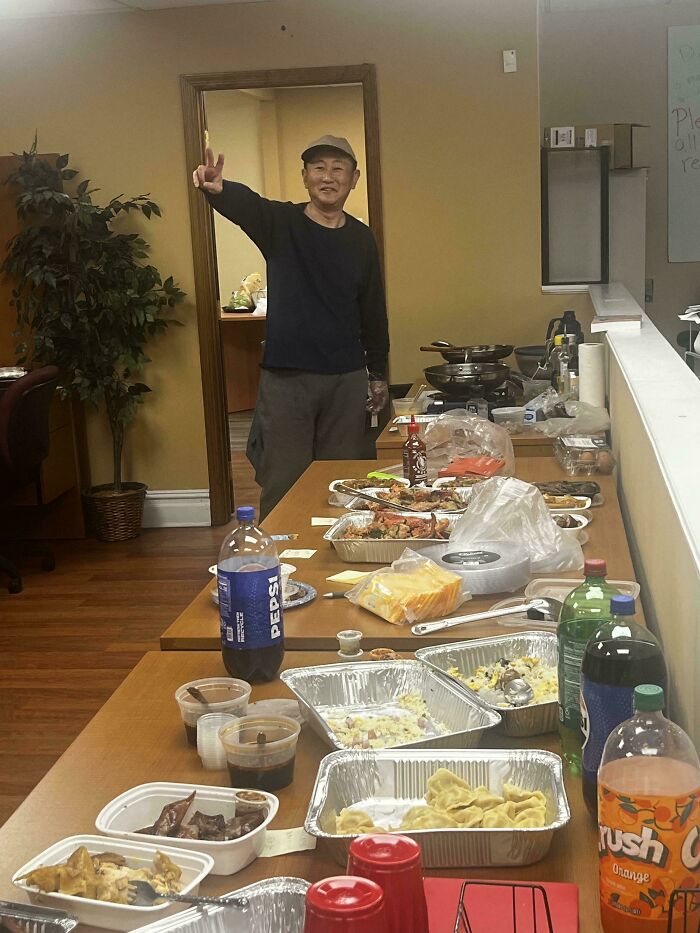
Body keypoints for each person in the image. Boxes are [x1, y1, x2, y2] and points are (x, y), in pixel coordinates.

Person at [193, 135, 390, 518]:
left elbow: (372, 310)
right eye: (319, 168)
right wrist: (218, 190)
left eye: (338, 169)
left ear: (354, 178)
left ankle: (338, 568)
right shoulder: (281, 223)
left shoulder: (361, 239)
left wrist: (377, 373)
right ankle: (282, 568)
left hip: (346, 380)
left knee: (345, 484)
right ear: (305, 176)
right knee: (283, 483)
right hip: (287, 381)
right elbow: (248, 206)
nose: (328, 177)